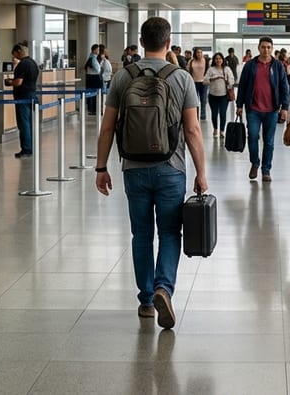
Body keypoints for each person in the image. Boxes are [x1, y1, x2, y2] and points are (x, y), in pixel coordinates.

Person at [95, 17, 206, 330]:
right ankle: (163, 288)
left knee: (141, 234)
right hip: (171, 168)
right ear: (168, 43)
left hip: (134, 168)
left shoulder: (123, 77)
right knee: (170, 232)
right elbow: (192, 130)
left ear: (141, 42)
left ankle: (146, 300)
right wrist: (201, 172)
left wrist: (101, 167)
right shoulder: (181, 78)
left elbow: (107, 127)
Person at [235, 36, 290, 182]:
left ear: (272, 49)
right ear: (258, 48)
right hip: (253, 109)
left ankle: (266, 170)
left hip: (272, 110)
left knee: (269, 141)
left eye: (268, 47)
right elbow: (242, 86)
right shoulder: (250, 65)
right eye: (263, 47)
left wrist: (285, 107)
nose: (266, 50)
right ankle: (255, 162)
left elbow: (284, 87)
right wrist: (239, 105)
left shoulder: (278, 66)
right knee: (253, 136)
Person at [8, 43, 40, 158]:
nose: (14, 57)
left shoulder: (22, 64)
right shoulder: (33, 63)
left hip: (23, 97)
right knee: (30, 123)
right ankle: (32, 146)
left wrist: (10, 82)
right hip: (32, 95)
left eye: (14, 54)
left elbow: (18, 82)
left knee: (23, 123)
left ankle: (26, 149)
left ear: (19, 51)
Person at [204, 53, 235, 138]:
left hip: (224, 96)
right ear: (214, 60)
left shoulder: (227, 69)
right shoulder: (211, 69)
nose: (218, 60)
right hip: (213, 96)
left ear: (223, 60)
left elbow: (232, 81)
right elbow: (205, 81)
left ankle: (222, 130)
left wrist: (226, 80)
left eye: (220, 58)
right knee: (214, 114)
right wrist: (213, 78)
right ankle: (215, 129)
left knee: (222, 113)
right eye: (216, 59)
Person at [188, 48, 209, 121]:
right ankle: (195, 115)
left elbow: (209, 70)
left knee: (203, 99)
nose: (199, 54)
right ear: (195, 53)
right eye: (198, 52)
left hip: (203, 82)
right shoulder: (191, 61)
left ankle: (203, 115)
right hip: (194, 82)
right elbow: (188, 70)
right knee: (195, 100)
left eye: (200, 52)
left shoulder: (205, 60)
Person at [84, 44, 103, 115]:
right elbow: (98, 69)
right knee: (95, 95)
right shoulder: (94, 58)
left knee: (90, 94)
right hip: (94, 78)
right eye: (98, 50)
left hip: (89, 77)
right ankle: (94, 110)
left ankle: (91, 109)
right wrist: (101, 65)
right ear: (94, 50)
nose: (98, 51)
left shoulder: (90, 57)